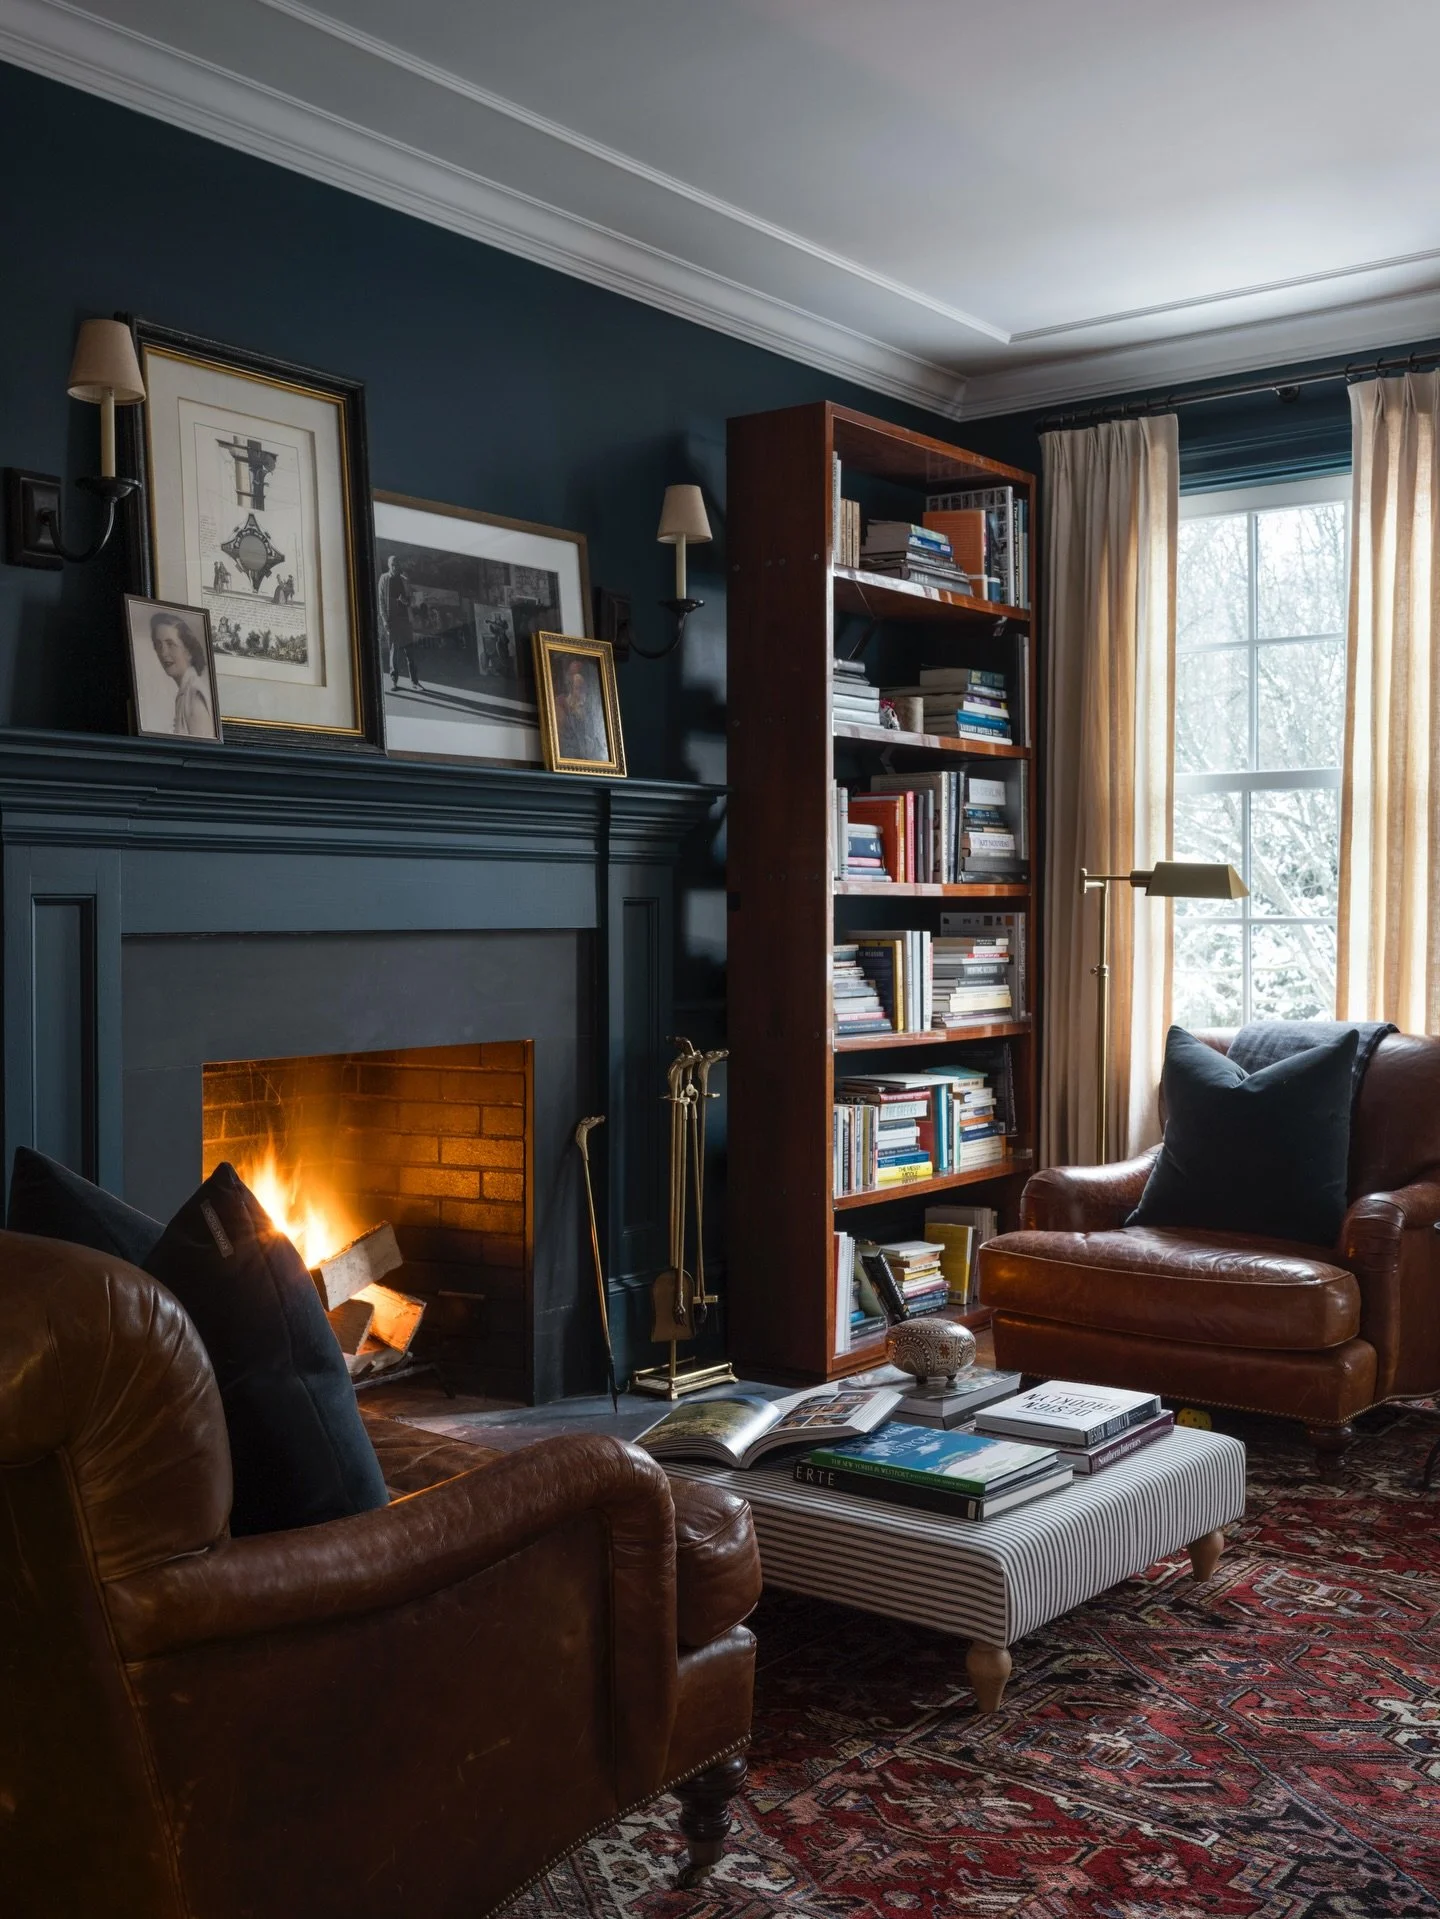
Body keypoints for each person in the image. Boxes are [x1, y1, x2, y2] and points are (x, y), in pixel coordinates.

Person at [150, 612, 215, 738]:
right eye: (158, 645)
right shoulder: (185, 693)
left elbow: (201, 752)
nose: (163, 653)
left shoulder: (195, 696)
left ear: (189, 651)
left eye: (171, 644)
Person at [552, 654, 610, 762]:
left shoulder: (593, 709)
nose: (576, 678)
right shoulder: (560, 705)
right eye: (577, 688)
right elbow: (563, 746)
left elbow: (600, 746)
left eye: (583, 688)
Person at [378, 551, 419, 690]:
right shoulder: (383, 579)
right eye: (392, 564)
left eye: (397, 564)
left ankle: (414, 682)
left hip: (405, 619)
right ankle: (394, 681)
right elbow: (381, 602)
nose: (395, 566)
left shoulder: (405, 580)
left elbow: (412, 600)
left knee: (410, 652)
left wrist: (405, 601)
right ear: (389, 565)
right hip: (392, 621)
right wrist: (384, 620)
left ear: (399, 565)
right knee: (394, 651)